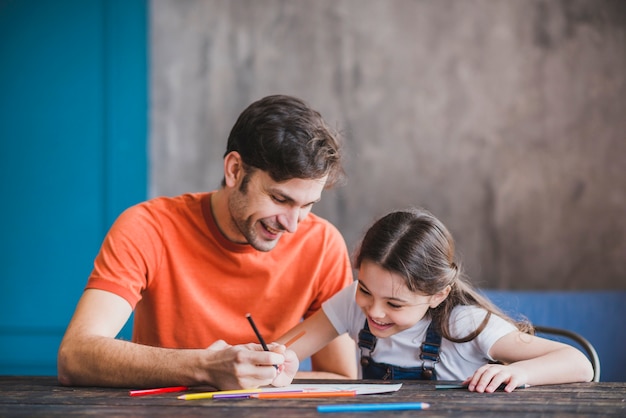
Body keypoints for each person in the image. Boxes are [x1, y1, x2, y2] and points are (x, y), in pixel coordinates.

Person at [57, 94, 357, 390]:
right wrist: (205, 368)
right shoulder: (148, 227)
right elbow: (75, 356)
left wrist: (253, 379)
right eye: (280, 198)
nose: (292, 225)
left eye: (308, 205)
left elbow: (342, 377)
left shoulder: (323, 244)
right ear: (234, 170)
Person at [277, 208, 594, 392]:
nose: (374, 311)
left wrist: (519, 373)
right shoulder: (352, 301)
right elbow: (277, 354)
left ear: (437, 294)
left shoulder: (464, 323)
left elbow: (580, 364)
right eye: (365, 290)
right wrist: (275, 364)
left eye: (395, 304)